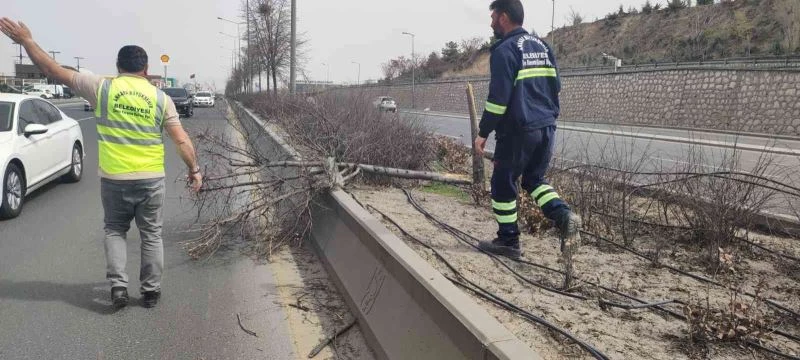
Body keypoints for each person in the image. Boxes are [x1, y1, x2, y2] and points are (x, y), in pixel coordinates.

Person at [0, 18, 203, 308]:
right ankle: (151, 291)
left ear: (118, 67)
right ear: (145, 70)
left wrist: (27, 42)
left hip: (115, 179)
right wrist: (194, 171)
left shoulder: (102, 88)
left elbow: (52, 70)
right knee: (151, 234)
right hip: (150, 179)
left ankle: (119, 288)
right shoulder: (161, 98)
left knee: (115, 231)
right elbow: (181, 141)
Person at [473, 0, 581, 259]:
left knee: (502, 182)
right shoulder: (543, 46)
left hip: (518, 130)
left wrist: (483, 132)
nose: (491, 22)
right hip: (545, 127)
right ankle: (564, 216)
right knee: (534, 180)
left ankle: (508, 241)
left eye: (493, 16)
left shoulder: (505, 50)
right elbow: (555, 88)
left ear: (503, 17)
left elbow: (498, 101)